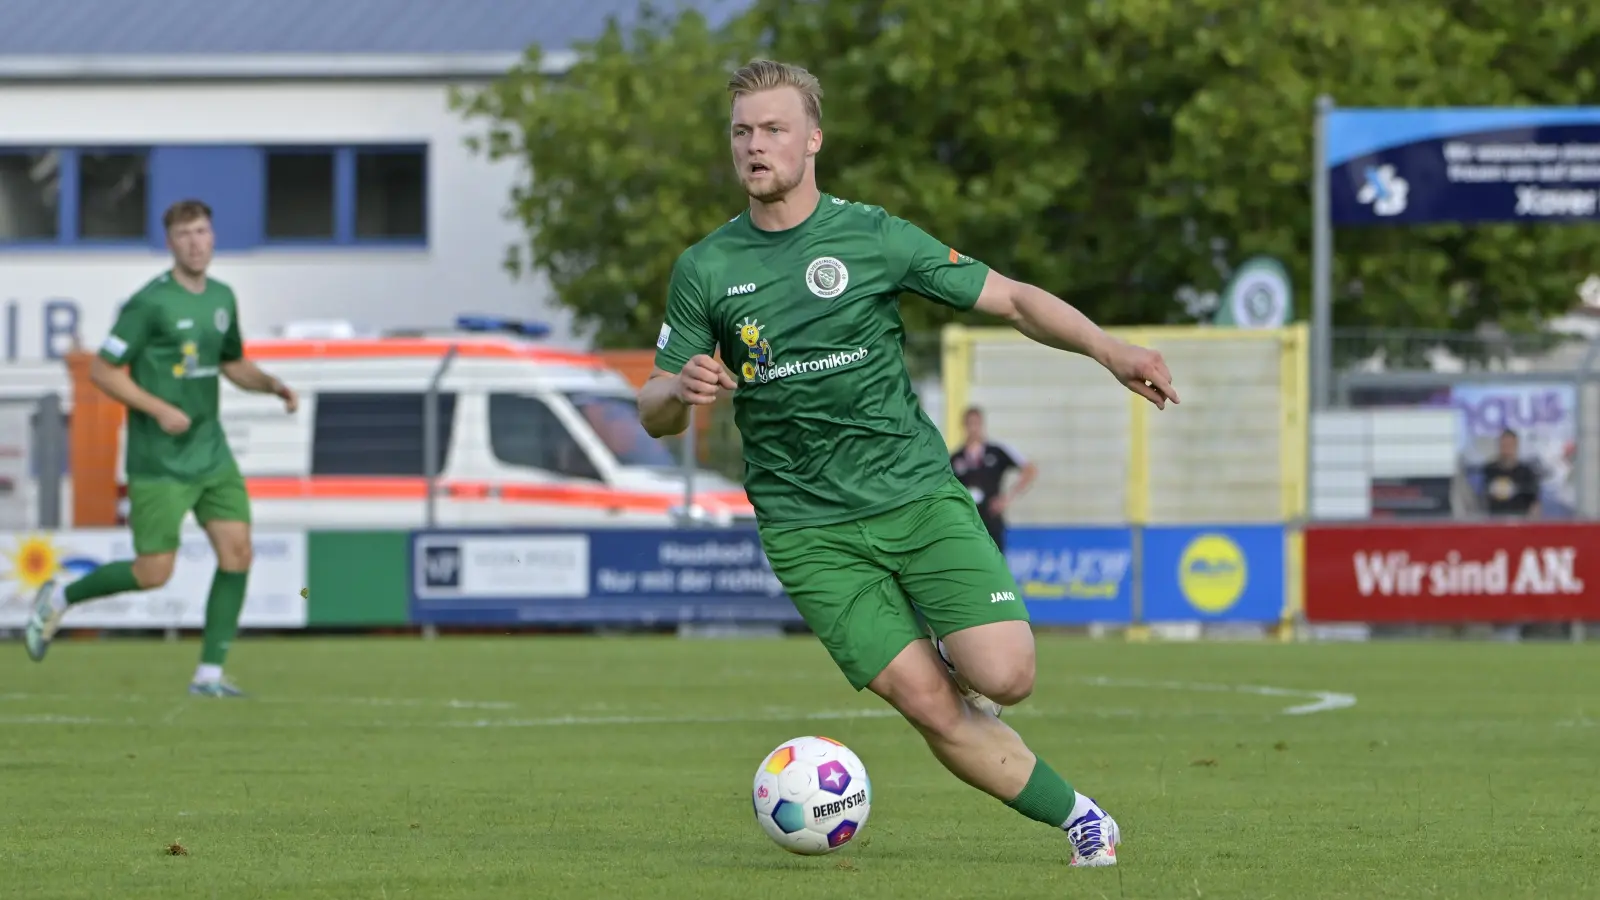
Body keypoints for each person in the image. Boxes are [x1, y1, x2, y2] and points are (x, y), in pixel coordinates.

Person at [639, 59, 1178, 867]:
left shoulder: (872, 237)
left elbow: (1014, 298)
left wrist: (1108, 347)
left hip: (915, 496)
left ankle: (960, 667)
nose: (757, 146)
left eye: (775, 129)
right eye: (743, 132)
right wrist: (680, 388)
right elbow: (651, 413)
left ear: (812, 139)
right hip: (807, 529)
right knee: (929, 702)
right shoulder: (707, 268)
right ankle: (1081, 818)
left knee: (1007, 675)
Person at [23, 199, 298, 697]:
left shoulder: (221, 297)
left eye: (203, 232)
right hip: (159, 460)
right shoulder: (149, 303)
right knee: (154, 573)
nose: (197, 242)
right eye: (186, 234)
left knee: (238, 552)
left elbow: (233, 363)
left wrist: (273, 385)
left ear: (214, 237)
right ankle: (60, 596)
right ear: (171, 243)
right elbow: (102, 370)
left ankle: (209, 675)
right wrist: (157, 408)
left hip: (211, 452)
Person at [950, 405, 1038, 555]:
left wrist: (1007, 498)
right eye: (969, 424)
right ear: (963, 426)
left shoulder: (996, 452)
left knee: (995, 567)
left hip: (992, 521)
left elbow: (1029, 470)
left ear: (982, 425)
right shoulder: (956, 458)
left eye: (976, 424)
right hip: (967, 524)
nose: (973, 429)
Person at [1480, 428, 1541, 518]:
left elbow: (1535, 504)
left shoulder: (1526, 472)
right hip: (1494, 522)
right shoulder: (1489, 470)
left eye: (1510, 445)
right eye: (1504, 445)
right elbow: (1480, 499)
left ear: (1516, 446)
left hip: (1520, 522)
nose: (1507, 449)